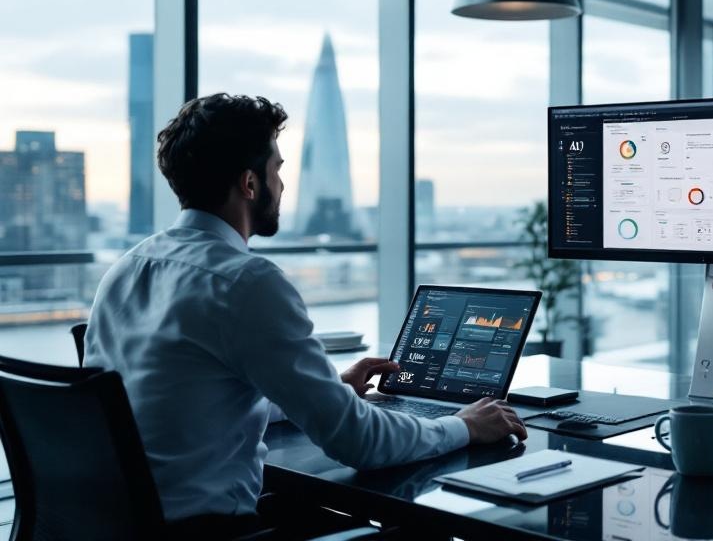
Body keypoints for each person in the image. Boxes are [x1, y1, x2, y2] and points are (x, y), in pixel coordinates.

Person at [84, 93, 528, 534]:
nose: (282, 184)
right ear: (250, 183)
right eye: (277, 168)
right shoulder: (245, 282)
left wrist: (330, 391)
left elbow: (197, 399)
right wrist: (464, 426)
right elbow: (360, 443)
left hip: (122, 524)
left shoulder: (126, 268)